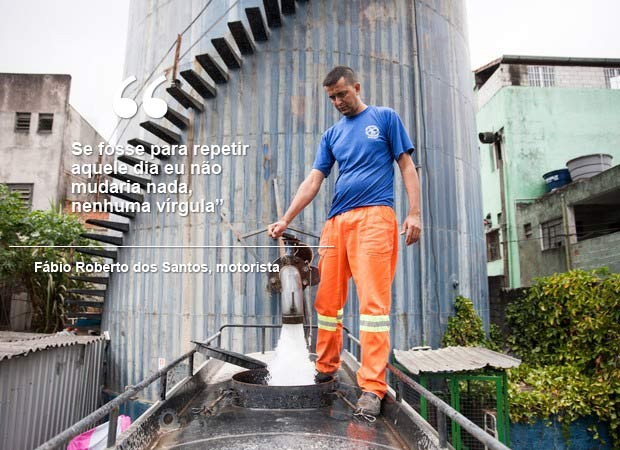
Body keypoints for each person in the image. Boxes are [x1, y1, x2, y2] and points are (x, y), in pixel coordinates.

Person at [268, 66, 421, 416]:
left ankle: (372, 388)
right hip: (336, 223)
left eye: (342, 94)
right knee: (327, 303)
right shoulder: (331, 135)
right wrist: (286, 219)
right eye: (332, 98)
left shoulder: (384, 118)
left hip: (375, 218)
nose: (338, 102)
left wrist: (415, 213)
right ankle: (326, 368)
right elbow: (313, 180)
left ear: (356, 86)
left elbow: (407, 166)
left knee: (372, 308)